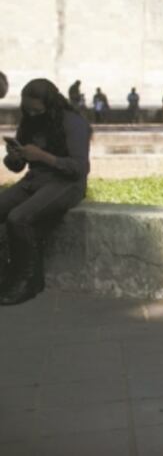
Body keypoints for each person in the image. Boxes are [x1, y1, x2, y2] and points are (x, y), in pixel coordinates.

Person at [0, 79, 90, 304]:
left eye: (36, 110)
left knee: (18, 218)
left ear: (50, 105)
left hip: (66, 183)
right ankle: (6, 274)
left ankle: (29, 281)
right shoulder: (29, 121)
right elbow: (18, 167)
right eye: (27, 110)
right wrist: (14, 157)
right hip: (36, 179)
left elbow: (79, 168)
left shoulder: (73, 122)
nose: (31, 114)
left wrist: (42, 156)